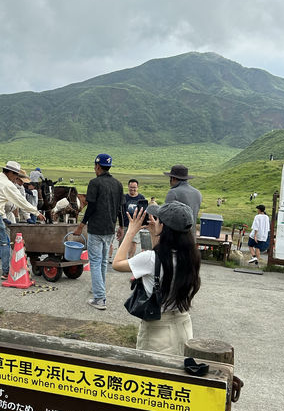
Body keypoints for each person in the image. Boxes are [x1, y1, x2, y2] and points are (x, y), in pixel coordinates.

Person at [113, 203, 201, 356]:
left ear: (164, 228)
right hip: (183, 325)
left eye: (159, 220)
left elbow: (117, 263)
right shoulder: (191, 257)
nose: (155, 221)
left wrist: (131, 231)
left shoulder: (149, 259)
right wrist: (155, 234)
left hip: (157, 330)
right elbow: (160, 261)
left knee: (152, 375)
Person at [73, 153, 123, 311]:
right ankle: (98, 288)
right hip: (110, 228)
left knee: (94, 262)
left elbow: (92, 206)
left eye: (95, 166)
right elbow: (120, 207)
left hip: (96, 228)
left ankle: (100, 298)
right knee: (101, 261)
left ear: (98, 166)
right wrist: (121, 226)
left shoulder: (94, 183)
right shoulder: (118, 184)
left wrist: (81, 224)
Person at [163, 164, 202, 230]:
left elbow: (165, 217)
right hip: (191, 235)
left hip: (175, 236)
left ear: (173, 178)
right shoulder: (197, 193)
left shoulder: (173, 192)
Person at [120, 179, 148, 259]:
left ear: (137, 187)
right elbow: (120, 210)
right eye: (131, 187)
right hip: (125, 223)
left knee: (134, 241)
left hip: (136, 224)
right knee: (122, 241)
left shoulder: (141, 197)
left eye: (134, 187)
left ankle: (130, 258)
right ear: (128, 186)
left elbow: (144, 211)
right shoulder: (124, 197)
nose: (133, 189)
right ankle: (121, 258)